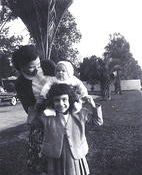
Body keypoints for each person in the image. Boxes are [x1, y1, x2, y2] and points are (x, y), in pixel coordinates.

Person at [40, 83, 103, 175]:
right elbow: (32, 122)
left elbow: (98, 122)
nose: (61, 104)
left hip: (75, 155)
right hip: (56, 155)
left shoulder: (80, 114)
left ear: (71, 100)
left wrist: (93, 105)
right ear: (52, 102)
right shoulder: (48, 116)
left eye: (64, 99)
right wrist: (40, 108)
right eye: (57, 100)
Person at [12, 45, 56, 175]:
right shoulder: (20, 83)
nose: (37, 69)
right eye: (32, 66)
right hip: (40, 121)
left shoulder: (48, 65)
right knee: (41, 158)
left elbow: (63, 82)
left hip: (59, 113)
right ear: (21, 67)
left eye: (38, 64)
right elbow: (30, 109)